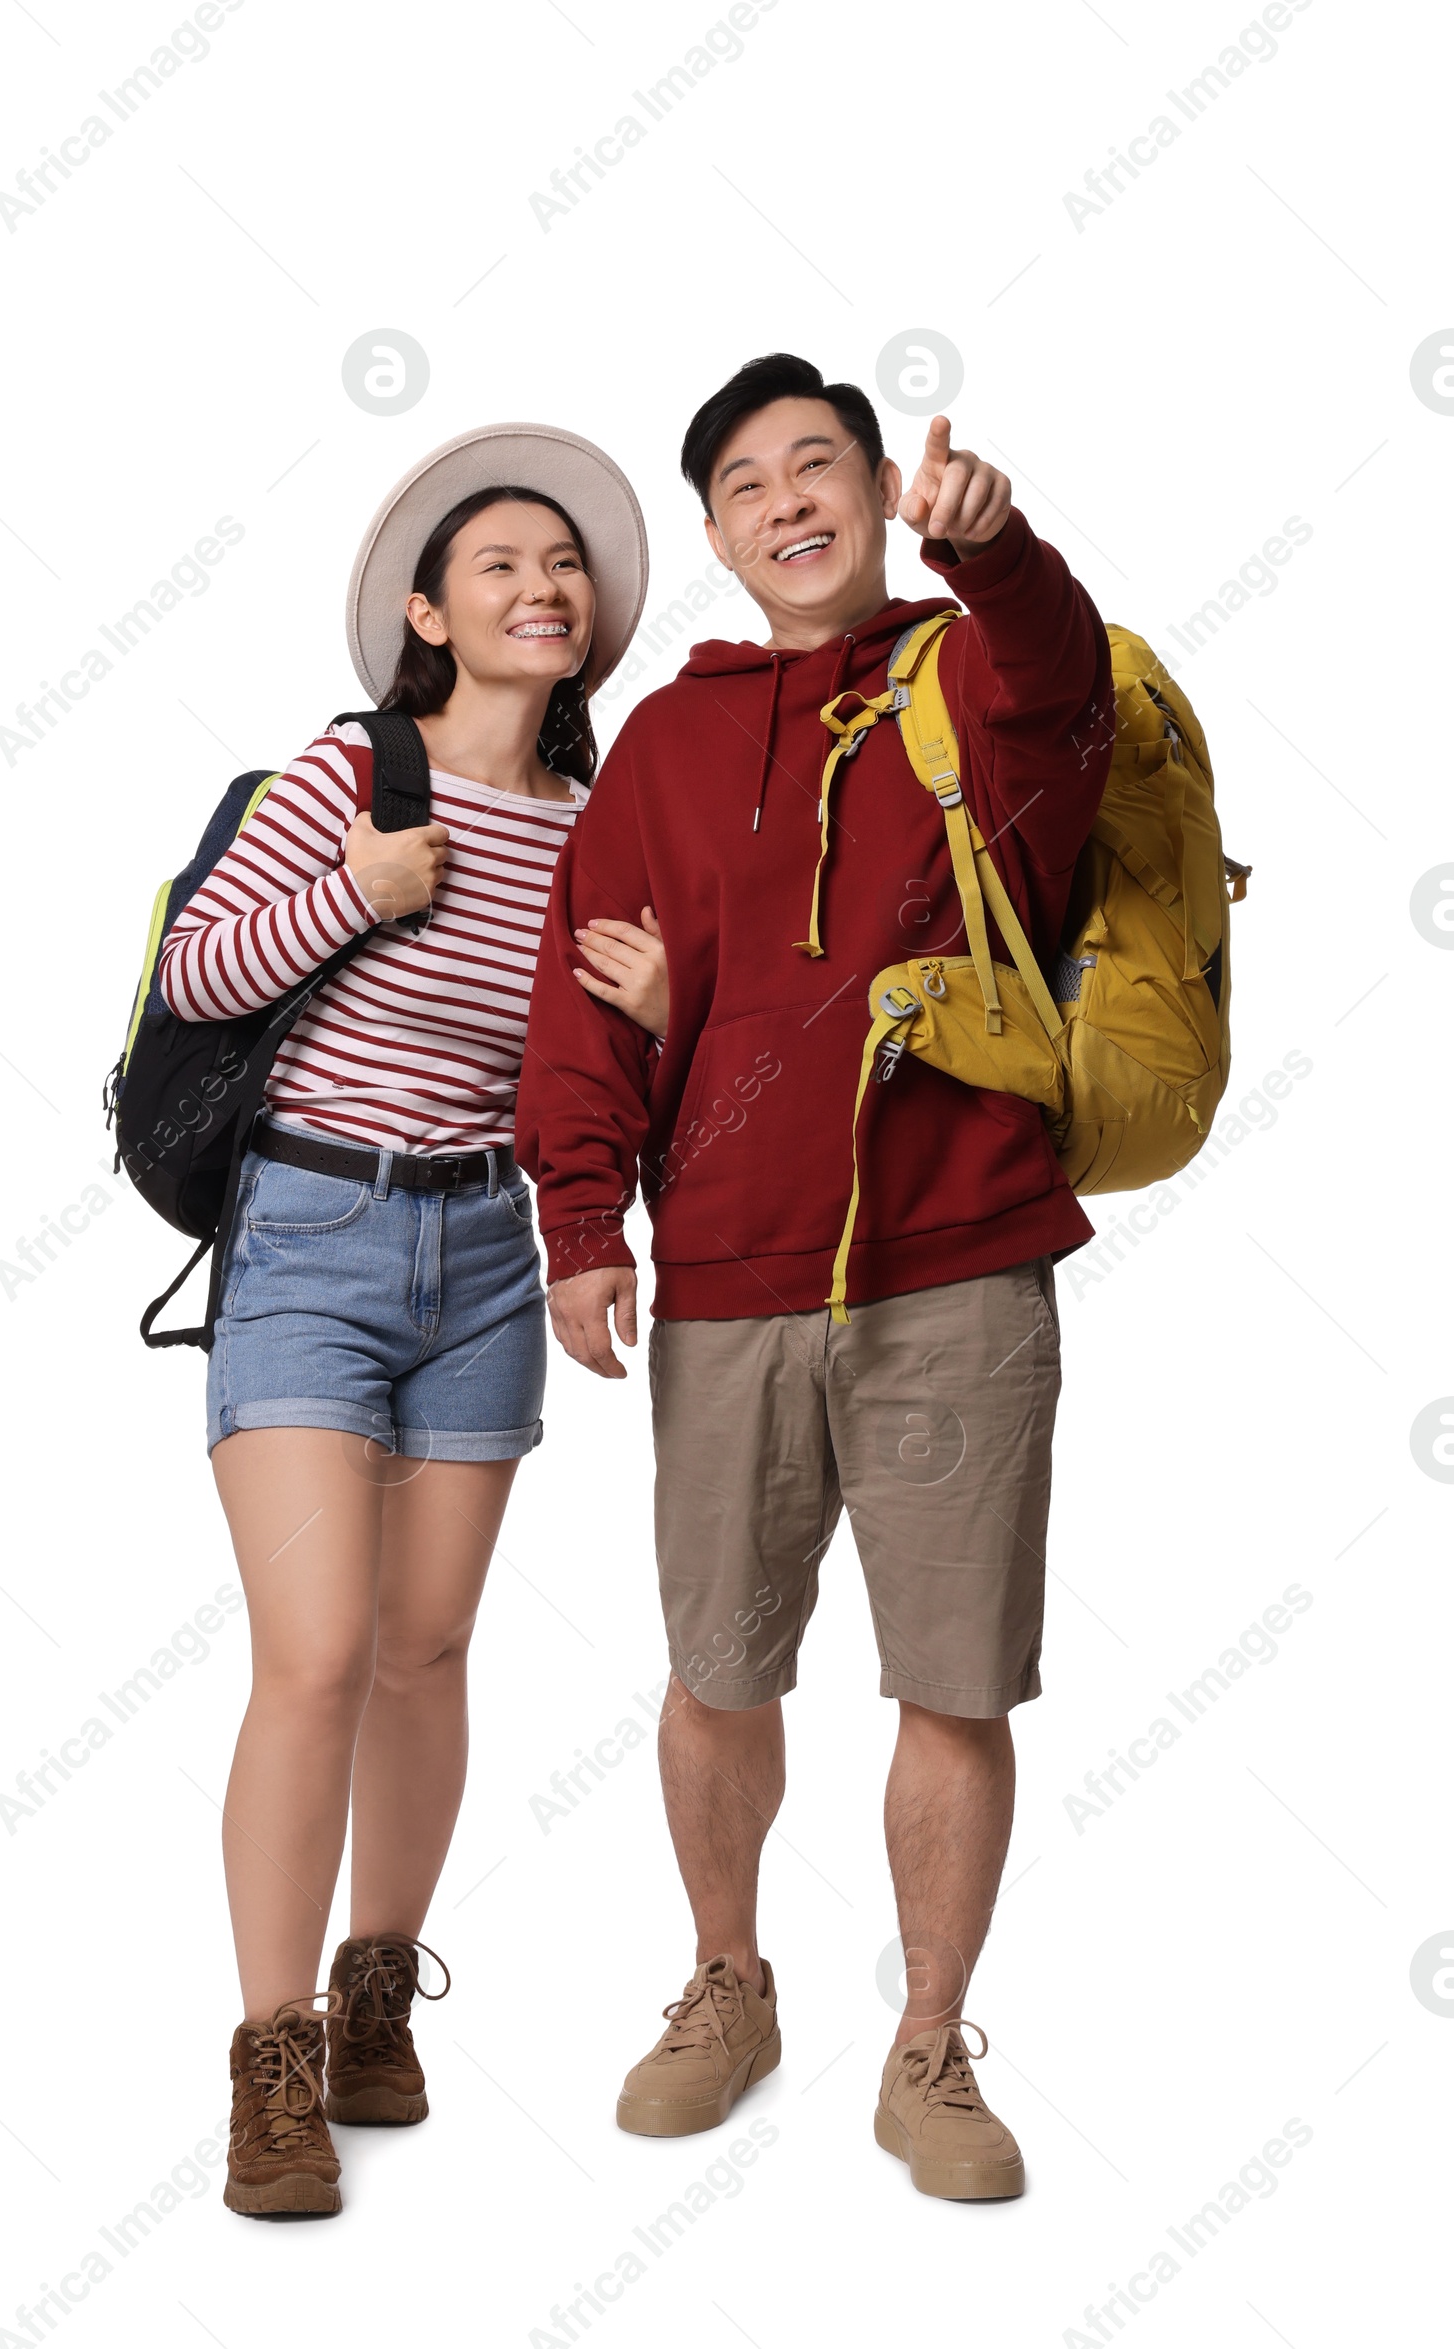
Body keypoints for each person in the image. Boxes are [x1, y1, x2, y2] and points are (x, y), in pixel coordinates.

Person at [516, 353, 1114, 2199]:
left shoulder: (968, 677)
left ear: (873, 489)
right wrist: (581, 1220)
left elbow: (1067, 704)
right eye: (750, 483)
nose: (791, 499)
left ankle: (929, 2043)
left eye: (821, 465)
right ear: (711, 536)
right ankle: (727, 1978)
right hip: (730, 1269)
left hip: (960, 1259)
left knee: (955, 1679)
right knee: (718, 1667)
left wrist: (1001, 560)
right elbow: (582, 984)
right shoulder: (671, 745)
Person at [157, 424, 658, 2219]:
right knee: (314, 1649)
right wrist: (352, 894)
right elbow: (197, 974)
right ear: (431, 613)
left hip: (487, 1260)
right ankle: (272, 2060)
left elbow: (596, 1086)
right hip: (307, 1232)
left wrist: (661, 1008)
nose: (544, 586)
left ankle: (379, 1996)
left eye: (567, 567)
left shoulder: (607, 831)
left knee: (425, 1651)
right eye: (504, 565)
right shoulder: (346, 775)